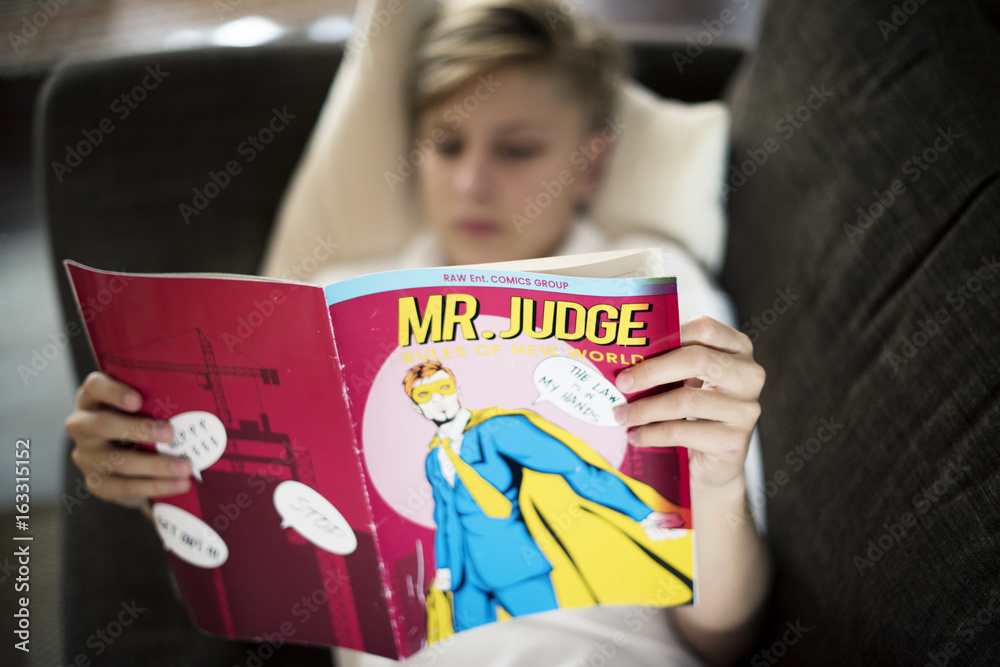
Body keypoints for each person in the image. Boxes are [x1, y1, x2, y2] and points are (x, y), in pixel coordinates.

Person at [65, 1, 769, 665]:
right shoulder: (327, 296)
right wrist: (150, 472)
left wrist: (713, 482)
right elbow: (272, 534)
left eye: (518, 149)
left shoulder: (658, 283)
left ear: (591, 162)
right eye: (446, 144)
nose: (471, 182)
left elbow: (726, 638)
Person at [405, 360, 691, 634]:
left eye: (443, 388)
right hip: (465, 577)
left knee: (554, 642)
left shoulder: (499, 428)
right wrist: (446, 566)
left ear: (457, 391)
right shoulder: (434, 457)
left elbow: (575, 468)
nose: (438, 400)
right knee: (468, 652)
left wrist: (644, 514)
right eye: (424, 395)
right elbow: (445, 516)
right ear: (417, 408)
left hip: (516, 561)